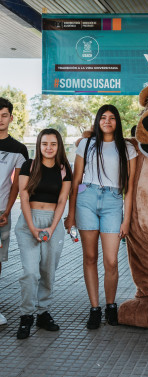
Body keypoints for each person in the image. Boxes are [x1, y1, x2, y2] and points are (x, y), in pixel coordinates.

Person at [65, 105, 137, 329]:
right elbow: (75, 181)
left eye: (112, 118)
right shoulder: (86, 144)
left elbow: (130, 187)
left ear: (117, 122)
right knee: (89, 257)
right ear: (97, 121)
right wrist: (71, 214)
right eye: (103, 117)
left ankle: (110, 305)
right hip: (87, 198)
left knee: (112, 261)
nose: (107, 121)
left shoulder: (127, 148)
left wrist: (126, 219)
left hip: (113, 202)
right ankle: (95, 308)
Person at [15, 129, 72, 339]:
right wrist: (32, 227)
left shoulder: (65, 169)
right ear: (39, 145)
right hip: (29, 221)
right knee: (30, 272)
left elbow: (62, 201)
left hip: (52, 223)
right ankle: (26, 316)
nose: (49, 148)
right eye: (45, 143)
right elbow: (23, 196)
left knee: (48, 271)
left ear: (59, 147)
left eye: (53, 144)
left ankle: (43, 312)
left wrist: (51, 227)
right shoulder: (28, 166)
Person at [0, 97, 29, 326]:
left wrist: (8, 211)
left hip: (1, 212)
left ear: (10, 117)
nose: (0, 120)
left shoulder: (18, 149)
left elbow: (17, 185)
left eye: (4, 115)